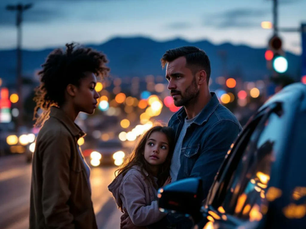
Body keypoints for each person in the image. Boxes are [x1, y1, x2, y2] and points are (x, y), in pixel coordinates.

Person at [29, 43, 109, 229]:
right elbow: (56, 212)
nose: (97, 94)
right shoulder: (58, 135)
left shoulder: (64, 131)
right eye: (91, 87)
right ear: (72, 90)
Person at [161, 46, 242, 227]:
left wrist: (151, 222)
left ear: (200, 77)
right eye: (168, 78)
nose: (170, 85)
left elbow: (193, 198)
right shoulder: (177, 120)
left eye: (178, 77)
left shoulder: (222, 126)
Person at [108, 125, 175, 229]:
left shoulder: (163, 176)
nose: (155, 150)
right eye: (151, 144)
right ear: (143, 149)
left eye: (163, 147)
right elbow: (138, 216)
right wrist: (165, 198)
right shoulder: (133, 177)